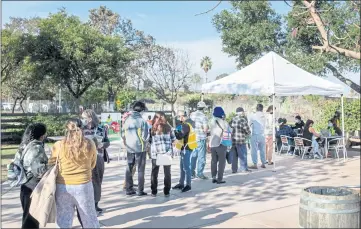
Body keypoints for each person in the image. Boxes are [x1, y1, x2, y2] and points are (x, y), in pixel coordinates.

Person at [51, 118, 99, 228]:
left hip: (62, 185)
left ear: (66, 130)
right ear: (82, 128)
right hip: (84, 185)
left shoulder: (58, 145)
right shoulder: (90, 144)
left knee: (63, 220)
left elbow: (52, 163)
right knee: (89, 218)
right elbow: (93, 163)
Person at [15, 123, 48, 229]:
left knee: (27, 218)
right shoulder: (37, 148)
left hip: (24, 186)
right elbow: (39, 171)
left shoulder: (23, 146)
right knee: (31, 221)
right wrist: (51, 167)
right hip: (34, 189)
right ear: (42, 135)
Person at [80, 109, 110, 214]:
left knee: (97, 181)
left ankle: (95, 204)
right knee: (85, 181)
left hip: (98, 157)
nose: (82, 120)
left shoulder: (102, 128)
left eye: (84, 118)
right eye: (82, 118)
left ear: (90, 118)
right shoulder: (80, 129)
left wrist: (103, 145)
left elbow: (107, 141)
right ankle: (86, 204)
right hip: (84, 159)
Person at [121, 101, 149, 196]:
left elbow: (122, 134)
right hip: (140, 149)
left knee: (129, 168)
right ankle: (140, 191)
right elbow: (145, 137)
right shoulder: (142, 121)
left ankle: (129, 189)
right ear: (142, 110)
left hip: (129, 148)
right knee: (140, 170)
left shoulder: (127, 120)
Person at [150, 112, 176, 197]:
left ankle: (154, 191)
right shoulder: (169, 128)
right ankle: (166, 191)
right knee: (167, 173)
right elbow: (174, 140)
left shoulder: (152, 129)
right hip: (166, 153)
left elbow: (148, 140)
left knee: (154, 173)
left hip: (155, 153)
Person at [173, 110, 193, 192]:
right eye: (178, 116)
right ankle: (181, 183)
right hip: (184, 148)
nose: (179, 118)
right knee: (182, 167)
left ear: (183, 116)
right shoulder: (185, 124)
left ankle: (188, 185)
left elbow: (180, 136)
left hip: (186, 148)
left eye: (180, 116)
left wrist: (175, 132)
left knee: (186, 168)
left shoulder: (185, 125)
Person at [209, 107, 230, 184]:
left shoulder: (211, 121)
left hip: (212, 144)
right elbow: (228, 131)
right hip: (221, 144)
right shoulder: (224, 122)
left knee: (213, 161)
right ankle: (219, 179)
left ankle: (213, 177)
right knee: (221, 162)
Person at [190, 101, 209, 179]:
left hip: (192, 138)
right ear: (203, 108)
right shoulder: (203, 116)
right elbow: (205, 129)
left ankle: (191, 173)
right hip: (201, 138)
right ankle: (200, 173)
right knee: (201, 157)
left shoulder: (192, 115)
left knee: (193, 155)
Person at [230, 107, 251, 173]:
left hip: (233, 140)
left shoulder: (232, 119)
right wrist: (247, 133)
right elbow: (247, 131)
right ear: (241, 112)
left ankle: (234, 169)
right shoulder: (242, 120)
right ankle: (244, 169)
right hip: (241, 140)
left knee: (234, 156)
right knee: (243, 155)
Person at [121, 110, 137, 191]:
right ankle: (126, 184)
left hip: (130, 146)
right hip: (131, 147)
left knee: (133, 167)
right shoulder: (127, 124)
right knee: (131, 166)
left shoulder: (127, 124)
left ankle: (129, 182)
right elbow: (123, 136)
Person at [249, 104, 267, 169]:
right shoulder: (265, 116)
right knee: (262, 150)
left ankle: (255, 164)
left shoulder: (253, 115)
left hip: (255, 134)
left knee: (254, 150)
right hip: (262, 135)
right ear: (262, 109)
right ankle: (263, 163)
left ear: (256, 108)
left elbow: (249, 124)